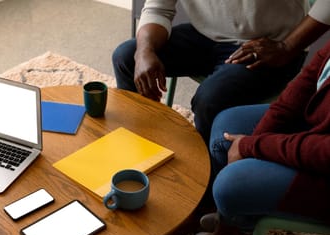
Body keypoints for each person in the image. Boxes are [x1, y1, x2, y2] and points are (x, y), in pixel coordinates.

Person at [112, 0, 330, 144]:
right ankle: (141, 145)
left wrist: (287, 47)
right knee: (126, 57)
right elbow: (159, 7)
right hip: (206, 35)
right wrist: (144, 51)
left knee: (210, 99)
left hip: (273, 44)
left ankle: (206, 179)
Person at [195, 39, 330, 235]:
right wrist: (249, 145)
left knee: (229, 184)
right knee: (226, 128)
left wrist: (252, 146)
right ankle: (231, 224)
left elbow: (323, 153)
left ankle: (239, 216)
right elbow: (299, 91)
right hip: (316, 127)